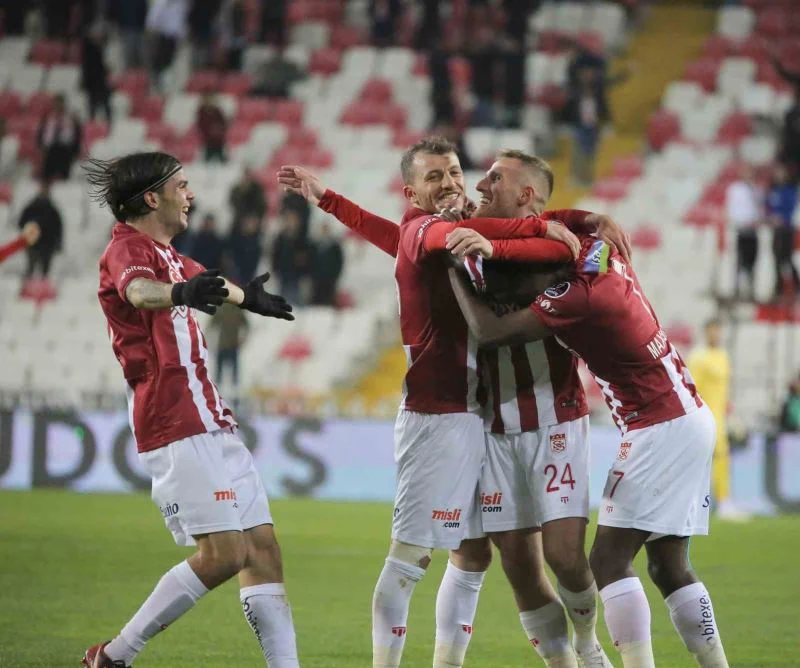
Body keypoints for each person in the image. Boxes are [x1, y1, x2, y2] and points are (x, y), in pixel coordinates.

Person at [277, 139, 627, 668]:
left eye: (458, 173)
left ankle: (578, 648)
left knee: (482, 554)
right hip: (449, 416)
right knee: (441, 559)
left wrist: (585, 221)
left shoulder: (484, 232)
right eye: (436, 176)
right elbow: (424, 239)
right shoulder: (438, 231)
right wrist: (546, 229)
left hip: (512, 416)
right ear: (412, 191)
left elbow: (557, 242)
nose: (461, 184)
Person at [446, 232, 730, 668]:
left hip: (658, 426)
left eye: (524, 287)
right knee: (668, 566)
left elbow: (489, 331)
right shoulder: (600, 257)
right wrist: (587, 219)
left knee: (608, 561)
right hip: (687, 416)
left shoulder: (574, 297)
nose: (524, 299)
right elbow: (578, 234)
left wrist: (454, 272)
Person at [81, 151, 297, 668]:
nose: (191, 195)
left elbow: (210, 283)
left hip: (211, 417)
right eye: (181, 186)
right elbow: (140, 292)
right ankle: (114, 655)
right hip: (173, 418)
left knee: (262, 550)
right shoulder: (127, 248)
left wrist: (250, 299)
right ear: (151, 198)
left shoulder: (170, 254)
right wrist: (180, 291)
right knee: (225, 554)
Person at [687, 319, 749, 523]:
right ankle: (694, 502)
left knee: (722, 459)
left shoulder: (723, 356)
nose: (716, 334)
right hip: (703, 417)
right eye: (712, 331)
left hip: (720, 417)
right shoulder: (698, 357)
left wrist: (730, 410)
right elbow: (691, 389)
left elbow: (723, 388)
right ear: (706, 332)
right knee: (697, 460)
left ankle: (723, 502)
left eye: (718, 331)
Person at [725, 165, 762, 301]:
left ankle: (751, 290)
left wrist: (757, 220)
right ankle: (737, 289)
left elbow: (759, 209)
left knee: (752, 261)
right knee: (740, 261)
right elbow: (732, 207)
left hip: (753, 230)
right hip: (741, 229)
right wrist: (739, 221)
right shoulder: (736, 189)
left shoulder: (756, 189)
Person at [766, 164, 799, 300]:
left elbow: (791, 208)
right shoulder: (773, 191)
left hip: (786, 229)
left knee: (787, 258)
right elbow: (768, 206)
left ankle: (796, 285)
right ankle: (778, 287)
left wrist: (782, 218)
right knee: (776, 258)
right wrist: (771, 217)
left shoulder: (789, 191)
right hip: (776, 229)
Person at [17, 182, 63, 279]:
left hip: (47, 245)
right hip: (33, 243)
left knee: (44, 272)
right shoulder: (31, 207)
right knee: (30, 270)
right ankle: (28, 286)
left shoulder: (52, 209)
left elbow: (58, 228)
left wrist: (59, 243)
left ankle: (42, 287)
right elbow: (21, 223)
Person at [37, 95, 82, 182]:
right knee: (47, 175)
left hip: (65, 149)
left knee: (64, 175)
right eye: (56, 104)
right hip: (50, 149)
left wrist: (75, 150)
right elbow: (41, 132)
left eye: (60, 103)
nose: (58, 106)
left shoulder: (70, 118)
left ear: (63, 104)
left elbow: (77, 134)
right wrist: (41, 146)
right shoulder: (48, 117)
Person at [209, 302, 249, 394]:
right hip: (224, 346)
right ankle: (219, 395)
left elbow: (246, 326)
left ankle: (231, 397)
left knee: (233, 377)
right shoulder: (224, 308)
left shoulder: (236, 309)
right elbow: (212, 324)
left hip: (231, 346)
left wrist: (243, 339)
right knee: (221, 376)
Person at [82, 23, 113, 124]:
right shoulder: (88, 48)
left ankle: (108, 122)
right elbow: (91, 66)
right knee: (93, 105)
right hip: (93, 82)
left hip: (99, 81)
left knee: (104, 104)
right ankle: (92, 123)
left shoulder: (97, 47)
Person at [310, 221, 344, 306]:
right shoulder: (314, 245)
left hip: (330, 279)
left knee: (328, 301)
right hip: (317, 279)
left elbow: (339, 262)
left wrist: (335, 275)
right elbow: (310, 261)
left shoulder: (335, 246)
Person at [229, 167, 267, 231]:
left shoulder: (257, 190)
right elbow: (233, 203)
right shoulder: (236, 189)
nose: (246, 179)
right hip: (240, 218)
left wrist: (254, 218)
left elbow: (261, 206)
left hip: (254, 218)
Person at [196, 93, 228, 163]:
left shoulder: (217, 111)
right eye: (208, 99)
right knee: (206, 161)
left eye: (212, 99)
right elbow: (200, 125)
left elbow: (223, 123)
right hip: (207, 141)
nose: (210, 101)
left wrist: (218, 130)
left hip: (218, 141)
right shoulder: (201, 111)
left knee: (222, 161)